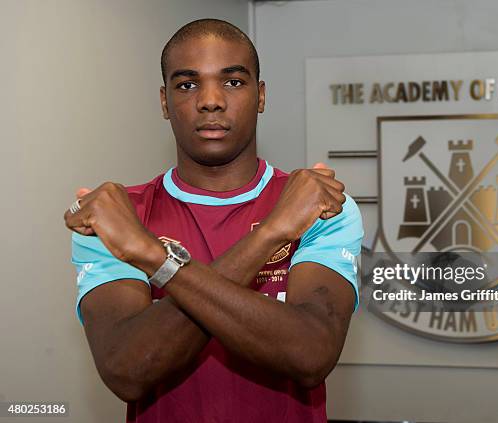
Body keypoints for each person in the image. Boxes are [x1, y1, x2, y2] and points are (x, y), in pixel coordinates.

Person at [63, 19, 363, 423]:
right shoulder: (116, 215)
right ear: (165, 101)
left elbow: (310, 354)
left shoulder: (320, 205)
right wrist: (273, 233)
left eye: (233, 82)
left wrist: (152, 257)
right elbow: (128, 370)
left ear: (261, 96)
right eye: (187, 84)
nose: (210, 100)